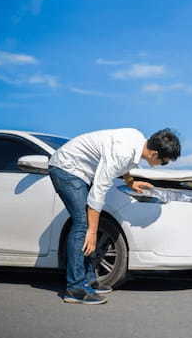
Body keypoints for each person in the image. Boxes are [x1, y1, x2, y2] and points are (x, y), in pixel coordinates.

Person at [48, 128, 181, 304]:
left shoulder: (137, 140)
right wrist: (93, 232)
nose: (163, 165)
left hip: (81, 172)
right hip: (66, 168)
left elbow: (121, 165)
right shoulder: (124, 152)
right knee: (83, 225)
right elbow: (99, 191)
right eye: (164, 162)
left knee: (88, 223)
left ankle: (88, 280)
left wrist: (130, 182)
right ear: (155, 154)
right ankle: (75, 288)